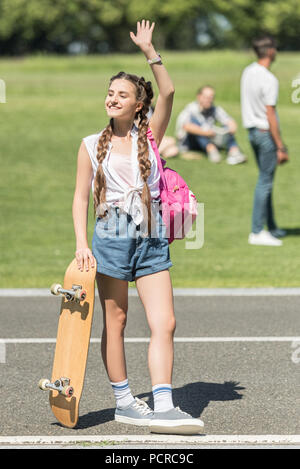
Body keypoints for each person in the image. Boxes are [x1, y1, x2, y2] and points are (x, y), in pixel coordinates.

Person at [72, 20, 204, 435]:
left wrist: (151, 51)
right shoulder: (91, 144)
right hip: (109, 236)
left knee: (165, 322)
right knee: (117, 322)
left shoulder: (151, 136)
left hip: (151, 234)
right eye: (110, 93)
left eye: (122, 95)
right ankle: (125, 402)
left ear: (137, 105)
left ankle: (163, 404)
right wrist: (81, 244)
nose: (113, 98)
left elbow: (168, 92)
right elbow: (79, 199)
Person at [241, 34, 289, 246]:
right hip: (264, 133)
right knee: (265, 182)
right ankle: (257, 231)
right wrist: (281, 146)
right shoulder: (269, 79)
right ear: (270, 51)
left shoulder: (248, 71)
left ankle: (272, 226)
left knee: (265, 179)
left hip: (251, 132)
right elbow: (270, 114)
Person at [176, 86, 247, 164]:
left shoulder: (214, 109)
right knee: (198, 125)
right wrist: (206, 132)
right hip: (190, 142)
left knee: (226, 128)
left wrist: (231, 127)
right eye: (206, 97)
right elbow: (186, 126)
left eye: (211, 97)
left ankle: (234, 151)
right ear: (199, 97)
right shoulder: (191, 109)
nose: (209, 100)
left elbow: (229, 120)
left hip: (208, 137)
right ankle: (212, 150)